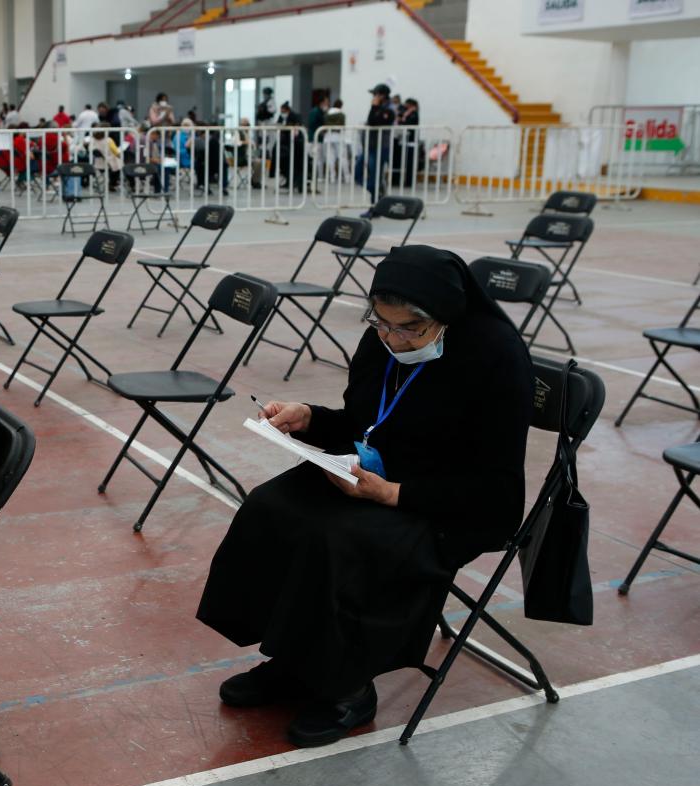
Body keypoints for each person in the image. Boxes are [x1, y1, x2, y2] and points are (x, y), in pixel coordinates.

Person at [197, 245, 533, 749]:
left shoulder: (496, 356)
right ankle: (291, 660)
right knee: (272, 508)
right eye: (381, 323)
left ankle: (346, 688)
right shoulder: (381, 341)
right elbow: (366, 424)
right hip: (371, 475)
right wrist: (310, 417)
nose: (393, 339)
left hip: (446, 503)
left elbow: (499, 492)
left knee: (339, 540)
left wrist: (396, 494)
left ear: (446, 316)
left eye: (409, 329)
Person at [360, 83, 396, 216]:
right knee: (359, 174)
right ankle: (380, 195)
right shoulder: (379, 108)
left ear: (382, 96)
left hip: (380, 147)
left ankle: (375, 206)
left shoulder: (389, 110)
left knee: (375, 177)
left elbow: (373, 121)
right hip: (370, 146)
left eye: (375, 94)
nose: (373, 97)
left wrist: (374, 106)